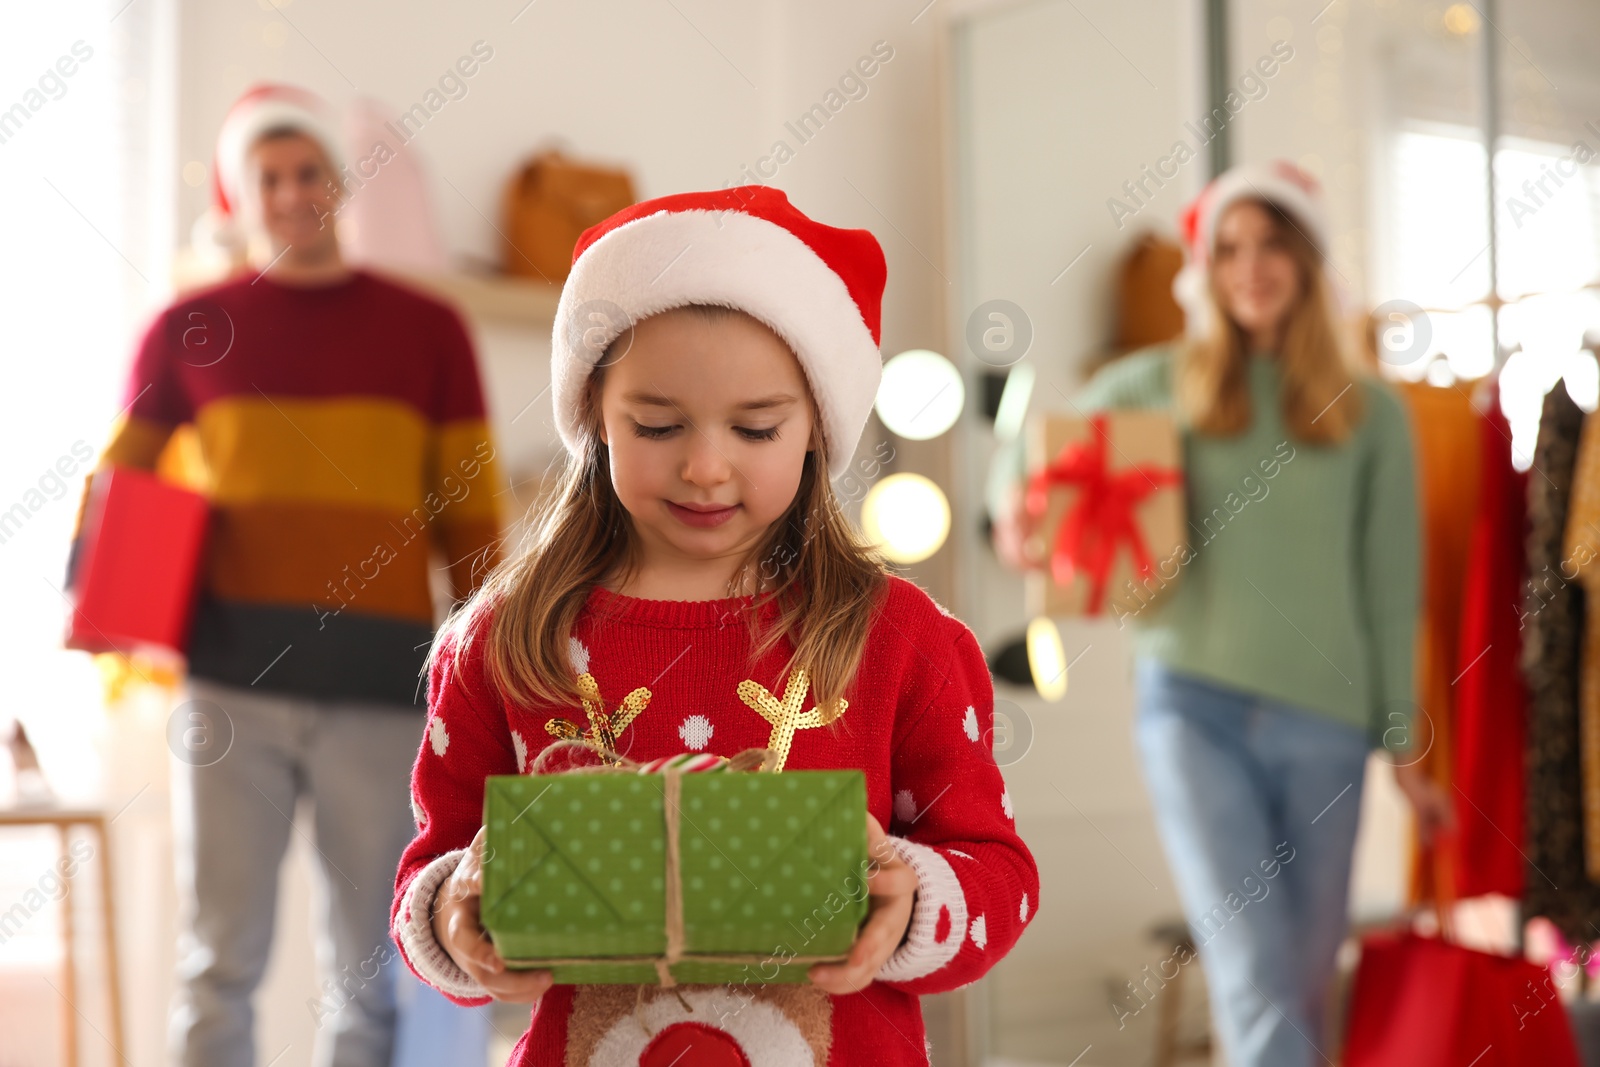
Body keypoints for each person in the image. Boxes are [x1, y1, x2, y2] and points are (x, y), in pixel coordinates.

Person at [390, 186, 1040, 1064]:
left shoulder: (901, 639)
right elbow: (428, 874)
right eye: (656, 424)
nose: (704, 466)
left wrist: (912, 895)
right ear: (594, 419)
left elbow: (1000, 874)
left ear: (815, 427)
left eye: (756, 427)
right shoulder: (499, 641)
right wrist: (453, 916)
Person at [73, 85, 504, 1066]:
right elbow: (121, 482)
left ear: (338, 182)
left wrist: (496, 666)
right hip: (232, 680)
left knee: (376, 961)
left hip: (381, 685)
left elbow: (471, 511)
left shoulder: (428, 330)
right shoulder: (186, 328)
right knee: (218, 956)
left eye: (309, 170)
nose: (291, 192)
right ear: (238, 194)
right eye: (267, 177)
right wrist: (104, 606)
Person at [1004, 162, 1451, 1066]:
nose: (1251, 266)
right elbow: (1031, 466)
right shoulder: (1150, 385)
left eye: (1273, 243)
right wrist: (1023, 519)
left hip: (1327, 723)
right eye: (1229, 248)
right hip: (1190, 709)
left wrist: (1405, 746)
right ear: (1204, 270)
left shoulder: (1373, 416)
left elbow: (1392, 591)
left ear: (1308, 257)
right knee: (1252, 968)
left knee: (1303, 974)